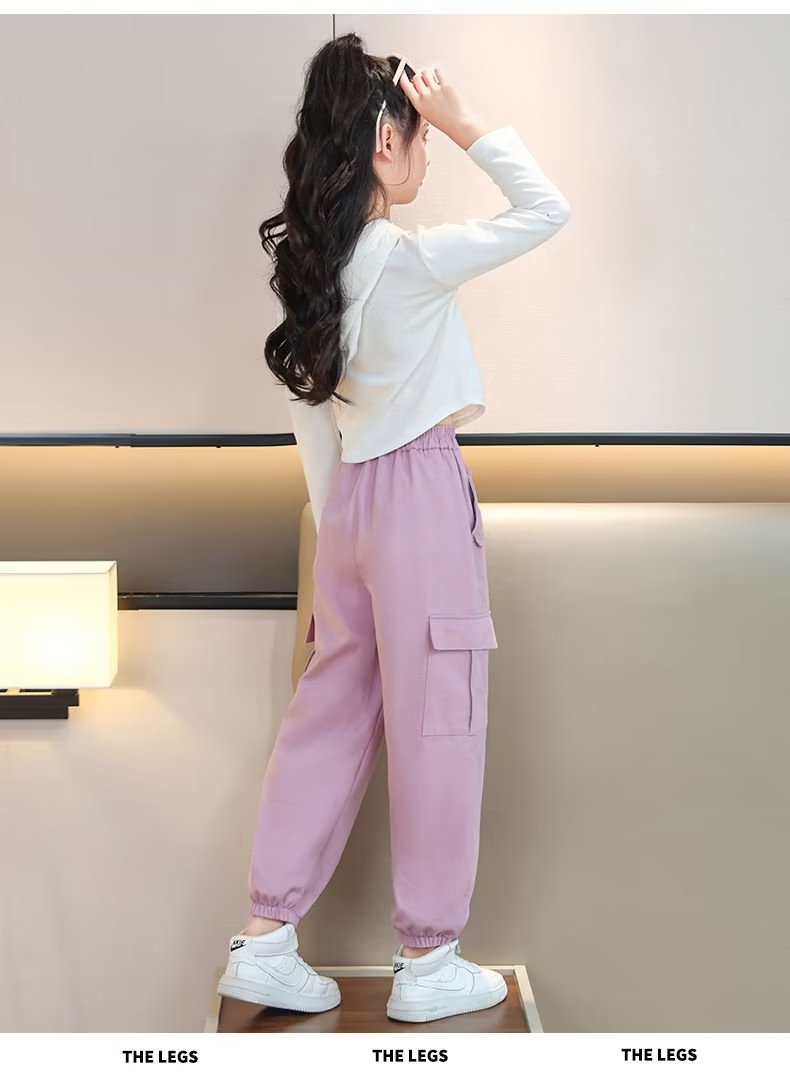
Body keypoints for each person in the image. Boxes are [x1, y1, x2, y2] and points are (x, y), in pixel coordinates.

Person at [217, 32, 570, 1024]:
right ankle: (428, 958)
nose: (425, 158)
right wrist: (466, 123)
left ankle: (265, 939)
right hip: (417, 495)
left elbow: (311, 423)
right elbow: (547, 209)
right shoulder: (413, 261)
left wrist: (339, 544)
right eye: (416, 141)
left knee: (327, 718)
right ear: (386, 142)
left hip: (350, 511)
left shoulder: (316, 275)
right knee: (439, 721)